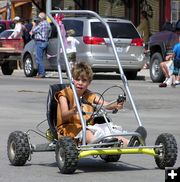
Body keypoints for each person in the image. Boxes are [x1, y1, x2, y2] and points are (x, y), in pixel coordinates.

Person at [55, 62, 129, 146]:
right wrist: (73, 110)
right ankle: (100, 144)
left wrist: (116, 105)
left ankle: (128, 143)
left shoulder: (89, 95)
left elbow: (105, 105)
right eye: (77, 79)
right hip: (68, 128)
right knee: (86, 131)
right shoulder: (64, 95)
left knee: (107, 129)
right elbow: (64, 115)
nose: (80, 83)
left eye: (84, 80)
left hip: (87, 127)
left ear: (89, 82)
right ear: (72, 80)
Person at [30, 12, 51, 78]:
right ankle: (40, 73)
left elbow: (32, 31)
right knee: (41, 58)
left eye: (39, 17)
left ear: (41, 18)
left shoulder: (41, 24)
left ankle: (41, 73)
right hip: (45, 41)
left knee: (39, 59)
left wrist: (34, 24)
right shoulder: (48, 24)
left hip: (40, 42)